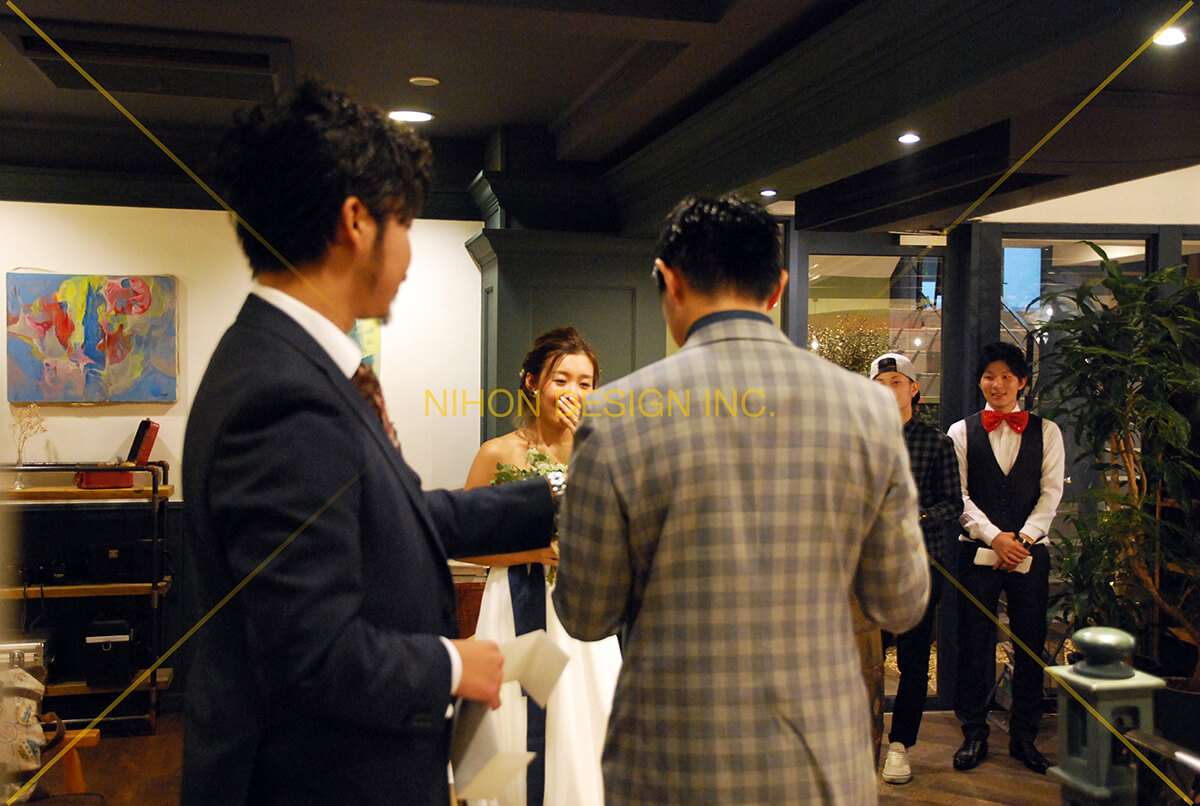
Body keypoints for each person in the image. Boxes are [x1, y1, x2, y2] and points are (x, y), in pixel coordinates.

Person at [181, 80, 557, 806]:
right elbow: (314, 654)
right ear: (356, 221)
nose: (409, 253)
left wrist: (562, 496)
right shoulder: (282, 396)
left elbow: (402, 518)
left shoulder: (294, 365)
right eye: (406, 222)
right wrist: (455, 665)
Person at [551, 194, 931, 804]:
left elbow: (586, 614)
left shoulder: (615, 413)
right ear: (777, 288)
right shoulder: (867, 409)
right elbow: (901, 600)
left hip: (668, 763)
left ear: (669, 282)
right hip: (822, 761)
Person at [458, 327, 622, 806]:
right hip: (514, 602)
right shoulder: (498, 453)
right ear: (532, 382)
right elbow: (462, 540)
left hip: (579, 610)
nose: (573, 392)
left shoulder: (603, 451)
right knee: (513, 715)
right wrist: (530, 553)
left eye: (585, 383)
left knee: (582, 712)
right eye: (561, 379)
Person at [948, 341, 1065, 775]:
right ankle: (973, 733)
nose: (996, 385)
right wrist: (995, 537)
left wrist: (1023, 540)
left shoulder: (1047, 431)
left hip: (1030, 553)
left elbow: (1052, 493)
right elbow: (957, 495)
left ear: (1022, 383)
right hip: (976, 550)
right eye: (988, 377)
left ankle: (1024, 737)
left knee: (1030, 643)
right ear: (980, 382)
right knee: (973, 644)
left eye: (1005, 377)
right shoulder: (960, 431)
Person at [869, 353, 963, 785]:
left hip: (921, 566)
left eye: (896, 381)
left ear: (913, 388)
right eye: (880, 383)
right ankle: (862, 740)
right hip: (867, 570)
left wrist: (916, 517)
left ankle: (900, 745)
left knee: (913, 661)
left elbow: (952, 504)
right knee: (863, 659)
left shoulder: (936, 442)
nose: (889, 390)